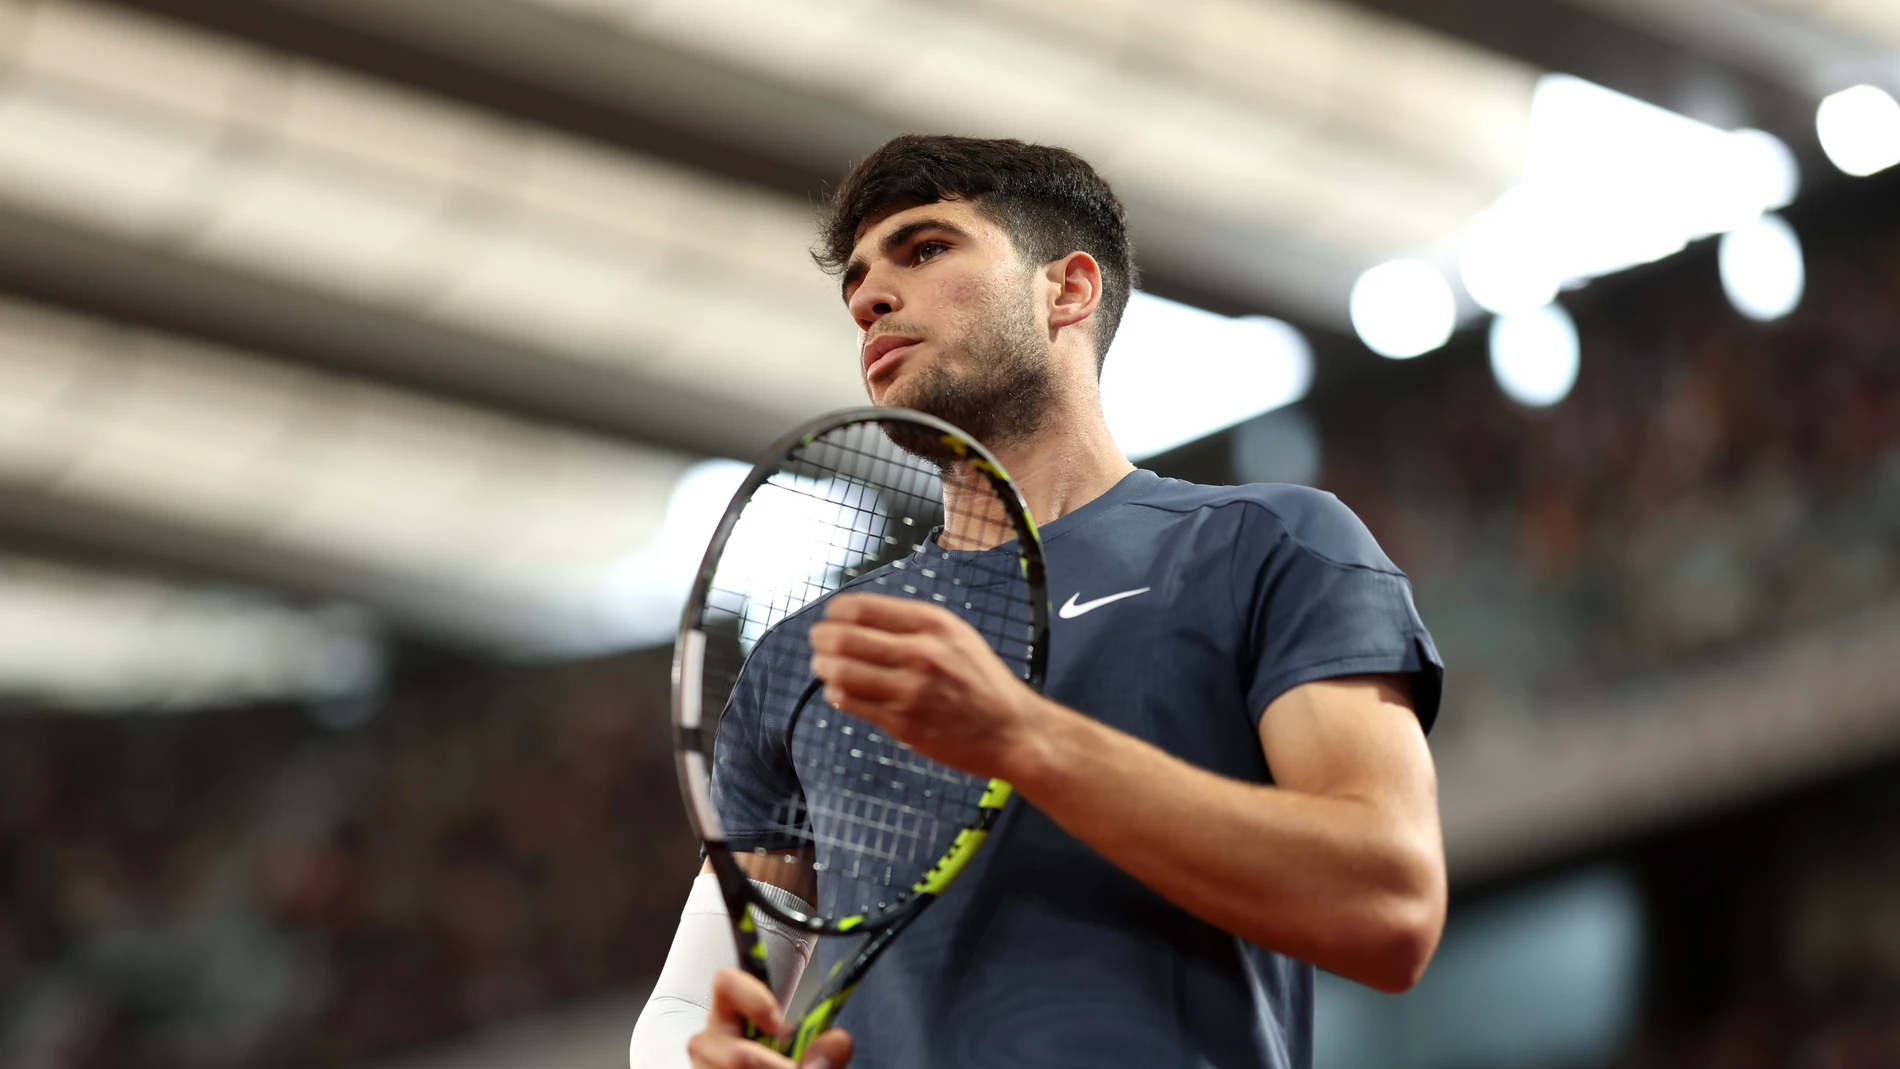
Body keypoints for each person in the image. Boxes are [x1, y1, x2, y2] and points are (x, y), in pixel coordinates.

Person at [629, 135, 1447, 1069]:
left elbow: (1390, 907)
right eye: (857, 279)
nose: (868, 298)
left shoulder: (1268, 544)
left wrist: (1023, 737)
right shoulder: (811, 654)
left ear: (1068, 290)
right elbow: (694, 1007)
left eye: (927, 248)